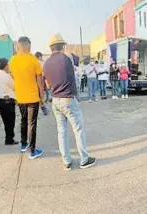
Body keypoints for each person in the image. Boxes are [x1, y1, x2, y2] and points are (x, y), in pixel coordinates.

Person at [43, 34, 96, 170]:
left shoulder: (46, 63)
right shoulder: (66, 59)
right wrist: (75, 96)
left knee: (62, 131)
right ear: (62, 45)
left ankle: (66, 161)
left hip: (55, 100)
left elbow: (48, 85)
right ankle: (84, 159)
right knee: (78, 129)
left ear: (50, 47)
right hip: (68, 98)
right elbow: (73, 80)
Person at [9, 37, 44, 159]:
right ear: (29, 46)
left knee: (23, 121)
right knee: (32, 124)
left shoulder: (12, 61)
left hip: (20, 97)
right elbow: (40, 82)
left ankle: (23, 144)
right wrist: (42, 97)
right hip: (33, 98)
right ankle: (32, 151)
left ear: (18, 46)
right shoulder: (34, 60)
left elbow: (13, 78)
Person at [0, 58, 18, 145]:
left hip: (1, 101)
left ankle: (8, 139)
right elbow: (14, 86)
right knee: (11, 122)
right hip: (8, 101)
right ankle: (9, 139)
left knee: (6, 122)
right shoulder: (6, 76)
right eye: (8, 65)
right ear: (5, 66)